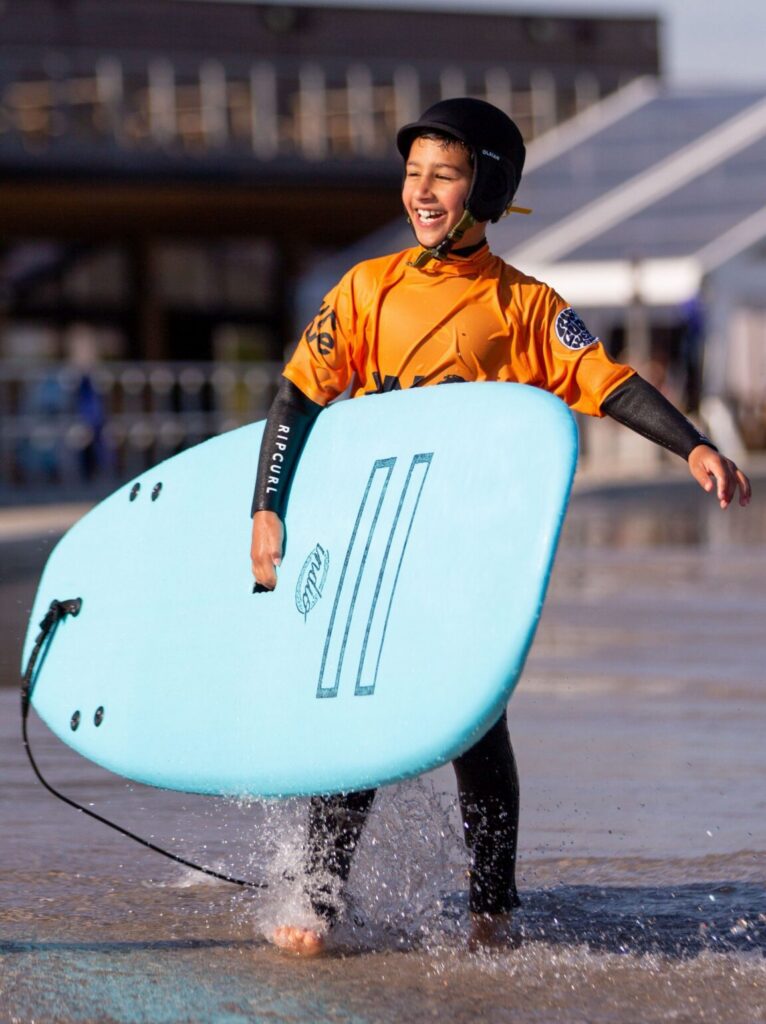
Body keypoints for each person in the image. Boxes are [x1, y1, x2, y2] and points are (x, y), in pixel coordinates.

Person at [249, 98, 751, 956]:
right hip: (381, 545)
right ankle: (321, 901)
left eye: (444, 174)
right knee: (355, 719)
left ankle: (493, 908)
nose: (423, 191)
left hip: (462, 555)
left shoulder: (524, 305)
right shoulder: (367, 290)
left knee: (478, 727)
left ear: (487, 185)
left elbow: (604, 379)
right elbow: (297, 392)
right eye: (414, 174)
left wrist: (693, 444)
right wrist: (268, 507)